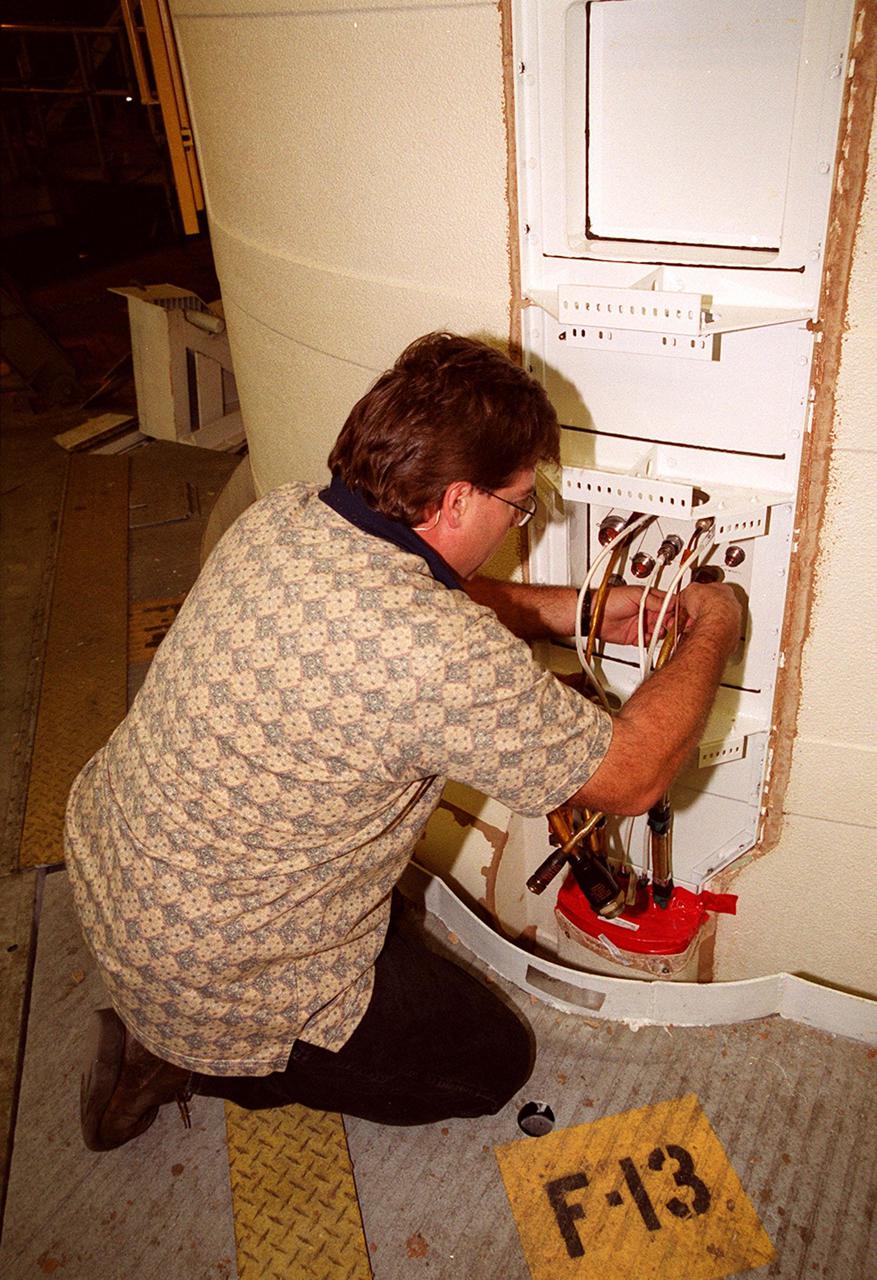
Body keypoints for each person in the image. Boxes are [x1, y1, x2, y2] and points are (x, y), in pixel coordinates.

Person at [66, 332, 741, 1150]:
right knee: (490, 1064)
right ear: (457, 502)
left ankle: (170, 1017)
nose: (518, 520)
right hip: (215, 967)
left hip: (119, 865)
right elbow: (632, 776)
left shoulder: (286, 516)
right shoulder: (438, 652)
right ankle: (184, 1056)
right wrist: (716, 622)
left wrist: (580, 612)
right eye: (518, 504)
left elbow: (423, 598)